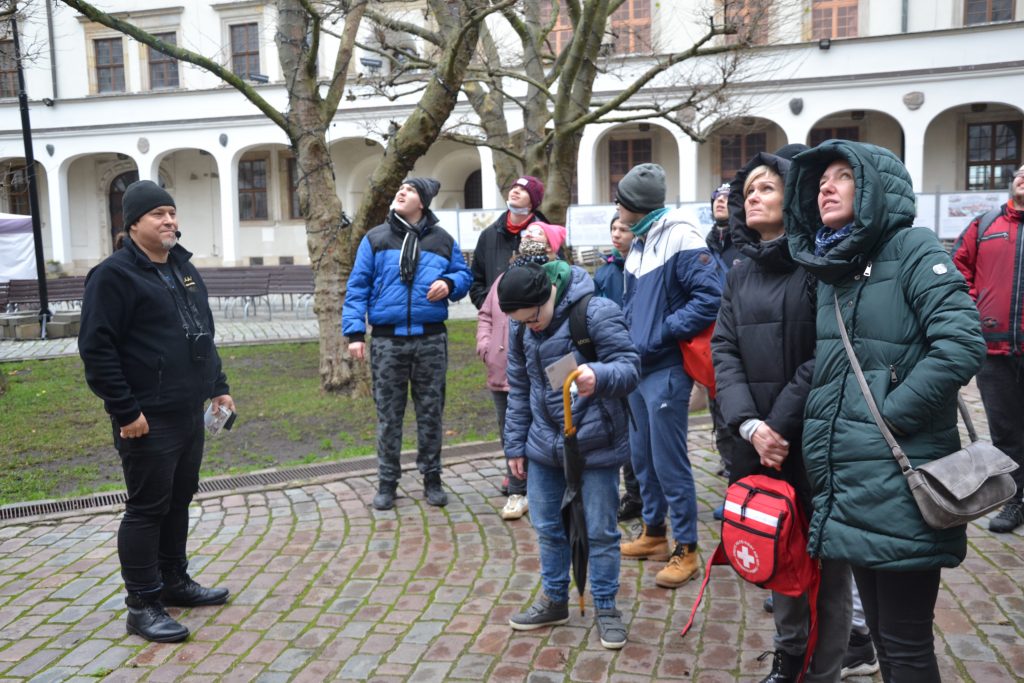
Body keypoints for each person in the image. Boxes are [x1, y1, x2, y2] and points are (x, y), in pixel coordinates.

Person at [786, 140, 986, 681]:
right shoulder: (837, 270)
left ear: (874, 187)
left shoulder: (915, 248)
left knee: (905, 646)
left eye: (842, 176)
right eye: (820, 180)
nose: (825, 187)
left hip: (902, 478)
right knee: (884, 639)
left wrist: (892, 416)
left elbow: (962, 343)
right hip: (852, 480)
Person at [713, 144, 854, 683]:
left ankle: (825, 670)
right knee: (780, 549)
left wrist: (779, 424)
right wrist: (749, 424)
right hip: (757, 441)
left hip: (814, 439)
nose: (752, 197)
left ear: (791, 196)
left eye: (766, 187)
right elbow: (723, 348)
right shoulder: (740, 271)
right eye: (747, 190)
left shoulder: (820, 264)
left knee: (825, 565)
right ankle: (788, 658)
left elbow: (827, 350)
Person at [79, 180, 233, 643]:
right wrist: (126, 411)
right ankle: (142, 603)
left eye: (172, 213)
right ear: (132, 224)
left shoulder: (183, 268)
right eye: (158, 215)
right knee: (147, 508)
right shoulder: (113, 275)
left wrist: (218, 388)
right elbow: (96, 350)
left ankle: (174, 581)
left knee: (178, 501)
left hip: (188, 411)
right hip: (146, 418)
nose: (169, 221)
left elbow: (201, 332)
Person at [499, 261, 640, 650]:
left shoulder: (595, 311)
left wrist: (599, 374)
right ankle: (555, 599)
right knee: (547, 526)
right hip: (544, 442)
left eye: (535, 318)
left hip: (594, 442)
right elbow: (520, 384)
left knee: (600, 531)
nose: (531, 327)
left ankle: (607, 607)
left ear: (549, 296)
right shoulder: (520, 326)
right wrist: (514, 443)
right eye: (522, 322)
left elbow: (630, 368)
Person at [615, 163, 724, 588]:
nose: (617, 208)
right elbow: (631, 305)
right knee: (642, 458)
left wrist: (659, 334)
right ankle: (655, 533)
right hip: (639, 369)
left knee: (668, 461)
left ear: (633, 206)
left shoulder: (681, 235)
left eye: (621, 201)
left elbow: (709, 298)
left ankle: (687, 548)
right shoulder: (640, 241)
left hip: (666, 369)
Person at [343, 178, 472, 511]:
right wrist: (355, 334)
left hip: (431, 339)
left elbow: (463, 275)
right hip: (387, 341)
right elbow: (357, 287)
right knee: (389, 416)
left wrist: (449, 282)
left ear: (423, 201)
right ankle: (387, 482)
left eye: (410, 190)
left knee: (431, 414)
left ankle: (432, 479)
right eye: (400, 188)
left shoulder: (442, 240)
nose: (401, 192)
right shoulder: (375, 238)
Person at [476, 221, 566, 520]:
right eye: (527, 233)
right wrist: (486, 346)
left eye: (538, 232)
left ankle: (555, 487)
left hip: (548, 374)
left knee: (549, 425)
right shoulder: (505, 279)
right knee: (510, 430)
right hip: (503, 370)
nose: (529, 235)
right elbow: (486, 314)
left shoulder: (560, 281)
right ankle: (517, 488)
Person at [952, 164, 1024, 533]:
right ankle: (1014, 499)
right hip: (993, 349)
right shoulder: (984, 225)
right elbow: (958, 267)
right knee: (1006, 430)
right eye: (1022, 170)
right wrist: (973, 306)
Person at [469, 175, 549, 497]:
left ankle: (540, 474)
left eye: (523, 190)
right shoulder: (490, 235)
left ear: (533, 201)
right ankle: (514, 474)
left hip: (536, 335)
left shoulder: (542, 233)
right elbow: (477, 282)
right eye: (513, 187)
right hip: (501, 344)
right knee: (508, 415)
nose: (515, 191)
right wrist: (489, 332)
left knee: (540, 410)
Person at [593, 215, 642, 522]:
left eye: (622, 228)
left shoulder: (641, 268)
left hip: (641, 355)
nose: (616, 233)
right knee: (620, 428)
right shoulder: (604, 273)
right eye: (612, 228)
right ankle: (632, 493)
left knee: (640, 431)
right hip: (612, 359)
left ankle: (642, 492)